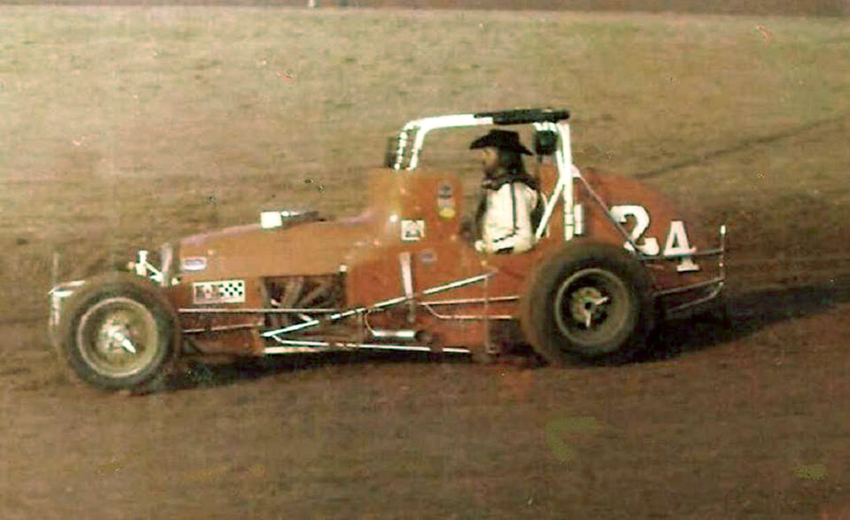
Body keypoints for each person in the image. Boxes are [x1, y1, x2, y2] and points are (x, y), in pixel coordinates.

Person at [468, 129, 541, 254]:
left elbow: (522, 239)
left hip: (506, 260)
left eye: (487, 153)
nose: (482, 158)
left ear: (505, 157)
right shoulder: (497, 189)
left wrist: (491, 250)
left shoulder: (514, 191)